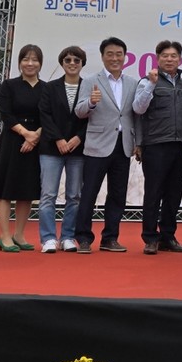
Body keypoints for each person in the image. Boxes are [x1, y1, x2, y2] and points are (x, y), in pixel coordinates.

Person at [73, 37, 139, 253]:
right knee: (89, 193)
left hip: (123, 145)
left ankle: (110, 238)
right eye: (110, 54)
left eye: (119, 54)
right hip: (97, 145)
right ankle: (83, 238)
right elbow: (79, 111)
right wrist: (91, 102)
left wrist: (137, 143)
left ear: (125, 57)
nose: (115, 58)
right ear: (102, 57)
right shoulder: (90, 81)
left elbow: (136, 116)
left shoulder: (132, 83)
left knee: (117, 195)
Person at [132, 40, 182, 255]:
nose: (169, 59)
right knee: (153, 193)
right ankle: (150, 238)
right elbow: (138, 108)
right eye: (165, 55)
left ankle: (168, 236)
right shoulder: (146, 81)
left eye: (173, 56)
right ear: (157, 59)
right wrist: (151, 84)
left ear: (180, 60)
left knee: (174, 194)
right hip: (155, 145)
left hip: (180, 147)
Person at [0, 43, 45, 252]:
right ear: (20, 62)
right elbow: (6, 114)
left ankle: (19, 234)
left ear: (40, 63)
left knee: (26, 190)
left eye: (34, 60)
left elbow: (49, 115)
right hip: (12, 141)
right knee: (4, 190)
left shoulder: (46, 88)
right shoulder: (9, 85)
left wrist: (35, 136)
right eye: (25, 59)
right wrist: (26, 134)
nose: (30, 63)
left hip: (36, 142)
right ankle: (4, 236)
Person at [37, 45, 88, 253]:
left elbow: (93, 117)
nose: (72, 63)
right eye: (68, 60)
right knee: (48, 195)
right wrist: (58, 139)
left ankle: (68, 236)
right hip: (51, 148)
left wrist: (78, 138)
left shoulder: (88, 87)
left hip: (78, 149)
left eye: (77, 60)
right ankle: (48, 238)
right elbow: (45, 115)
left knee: (74, 196)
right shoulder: (50, 87)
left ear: (82, 64)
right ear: (62, 63)